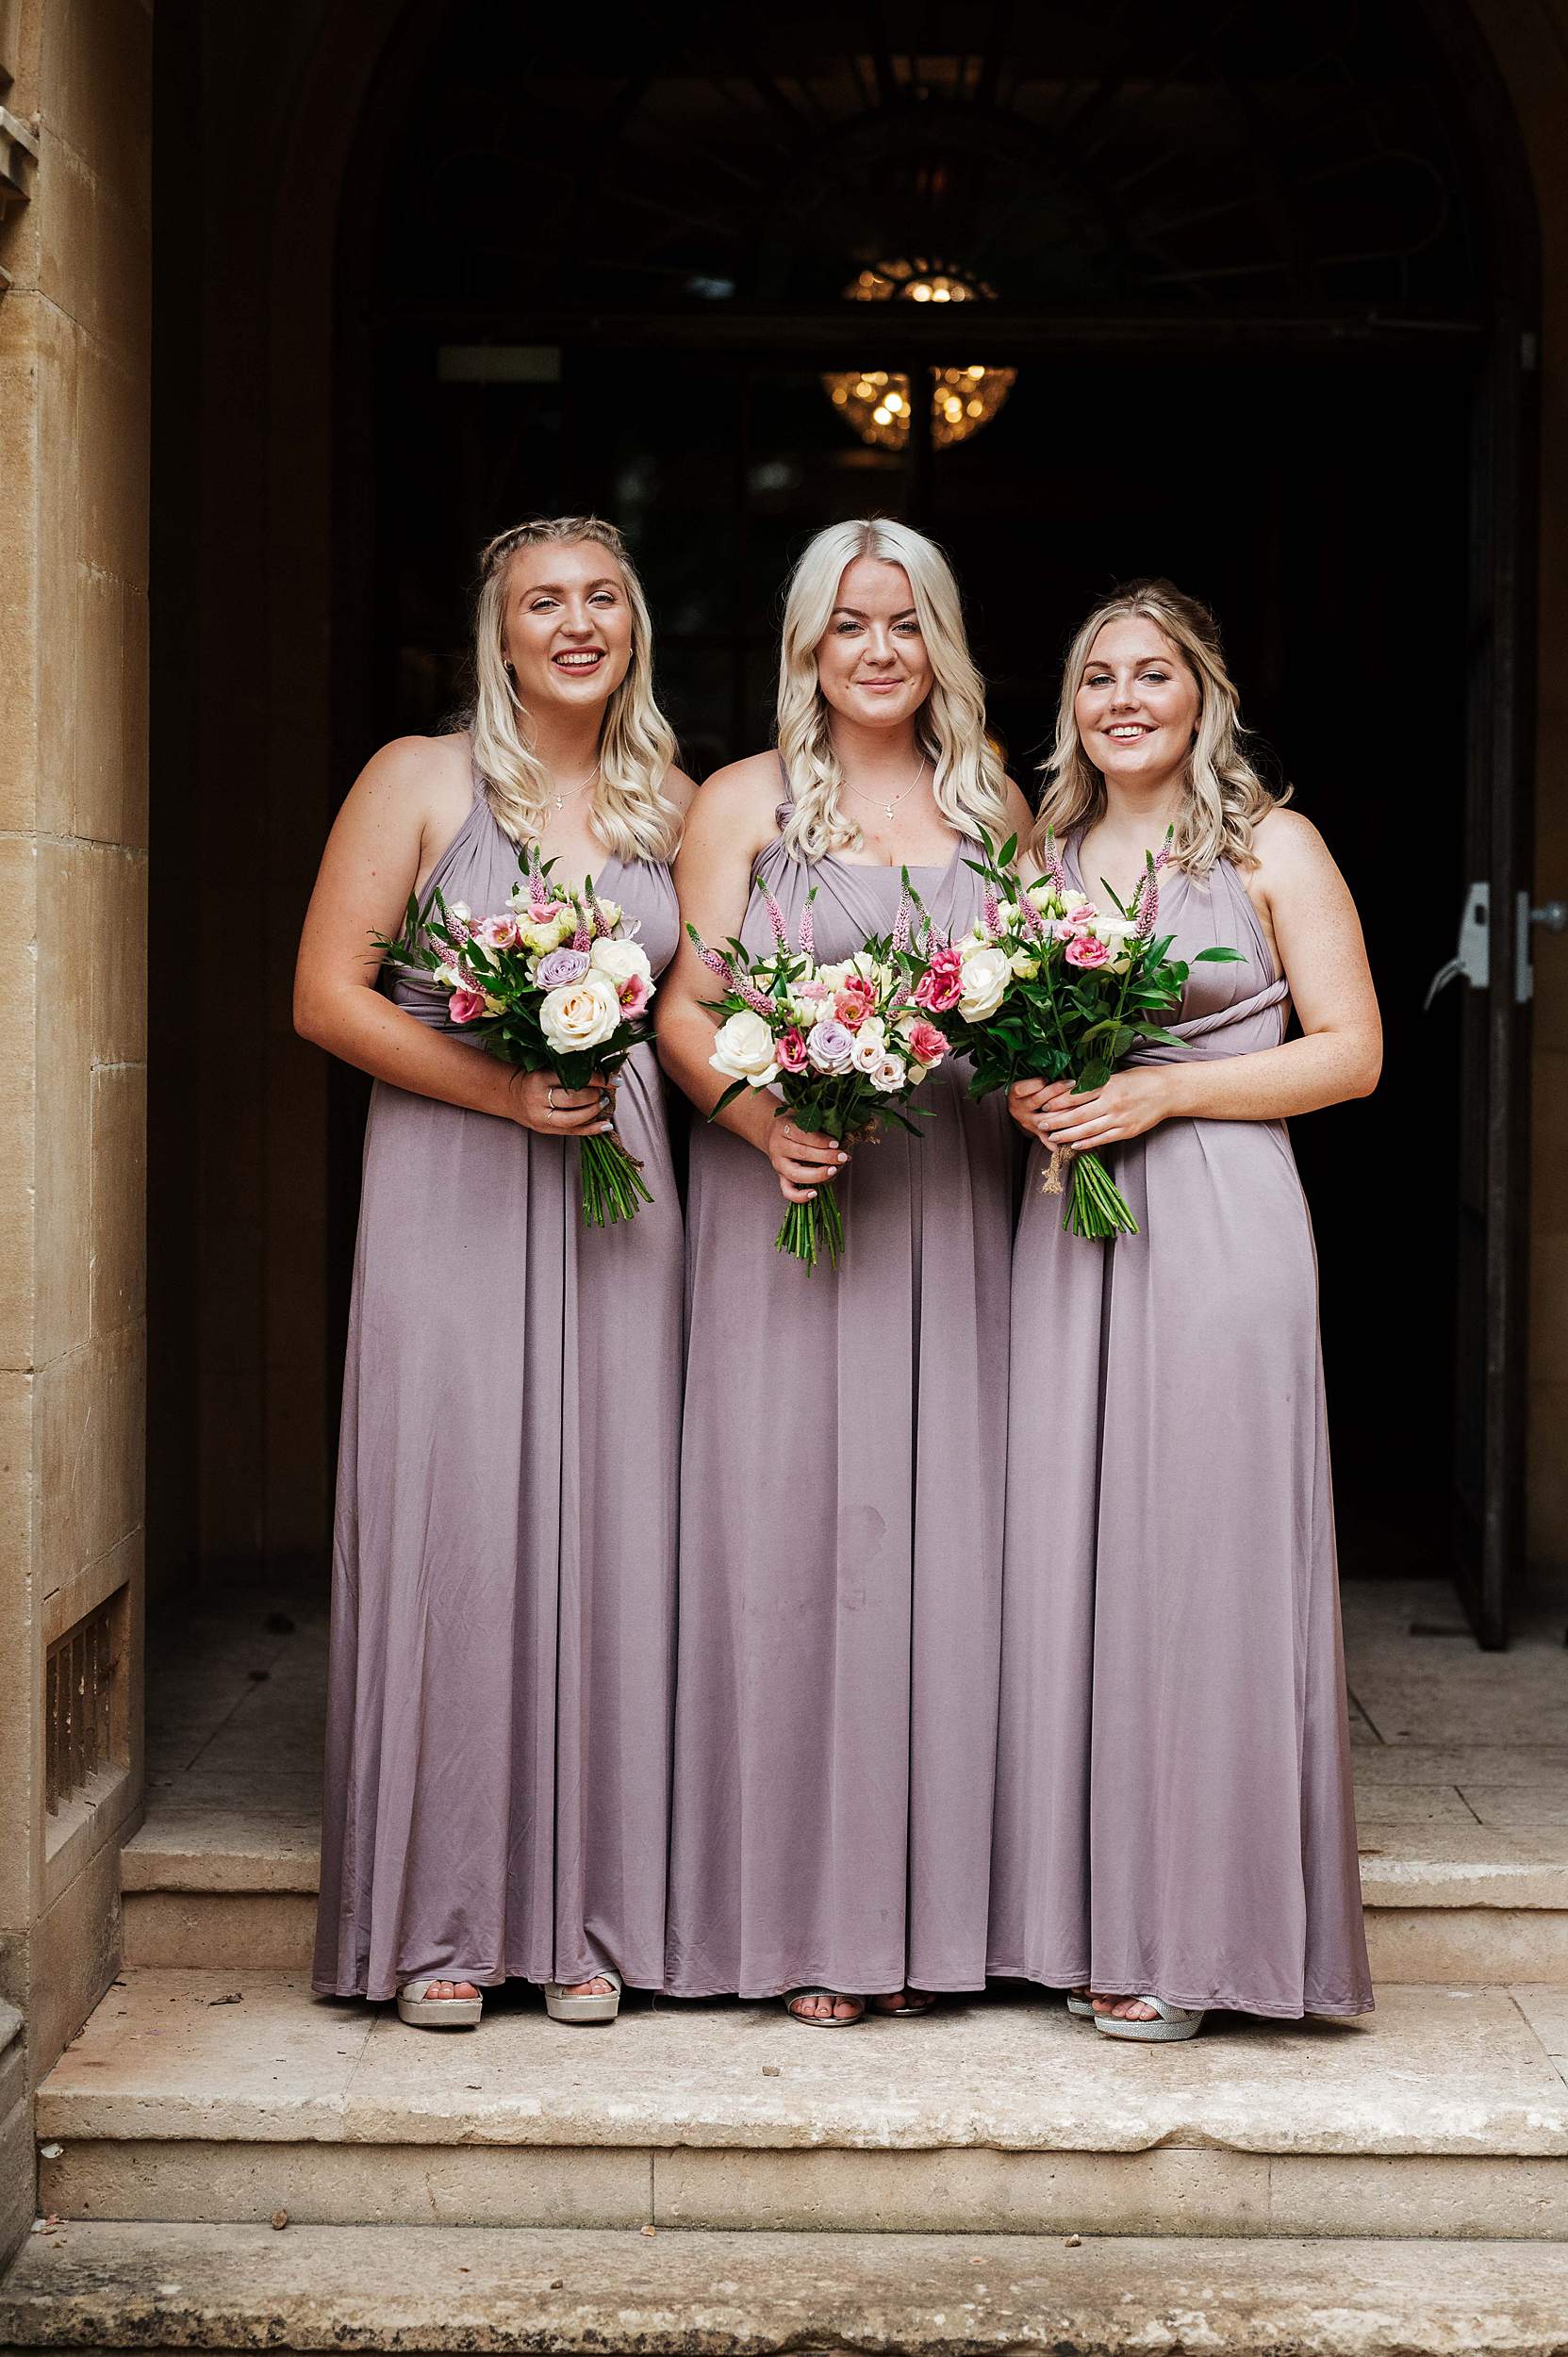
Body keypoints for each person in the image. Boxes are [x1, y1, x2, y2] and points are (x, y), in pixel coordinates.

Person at [298, 517, 692, 2028]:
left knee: (611, 1532)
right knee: (455, 1523)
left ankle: (588, 1916)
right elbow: (326, 995)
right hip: (454, 1179)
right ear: (501, 632)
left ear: (633, 625)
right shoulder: (417, 778)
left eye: (602, 599)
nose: (576, 624)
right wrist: (503, 1091)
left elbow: (698, 1006)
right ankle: (441, 1920)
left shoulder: (673, 802)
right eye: (545, 603)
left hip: (620, 1189)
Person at [987, 579, 1379, 2040]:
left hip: (1221, 1218)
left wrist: (1166, 1094)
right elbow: (1002, 1042)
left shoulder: (1274, 847)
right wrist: (1030, 1092)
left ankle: (1206, 1941)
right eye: (1099, 678)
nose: (1125, 700)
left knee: (1208, 1565)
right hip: (1070, 1225)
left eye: (1153, 673)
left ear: (1204, 694)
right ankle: (1085, 1920)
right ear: (1072, 707)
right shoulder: (1039, 858)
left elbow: (1351, 1054)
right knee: (1078, 1561)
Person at [658, 517, 1032, 2025]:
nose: (879, 651)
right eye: (849, 624)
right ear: (806, 643)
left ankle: (926, 1921)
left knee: (942, 1548)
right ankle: (798, 1919)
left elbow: (1033, 1000)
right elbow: (684, 1010)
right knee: (786, 1548)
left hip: (951, 1204)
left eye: (906, 622)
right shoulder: (742, 801)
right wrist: (766, 1124)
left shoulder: (994, 801)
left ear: (942, 641)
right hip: (786, 1206)